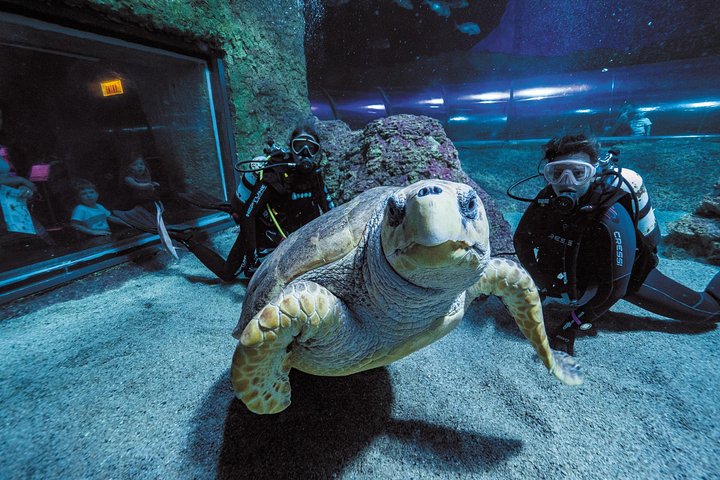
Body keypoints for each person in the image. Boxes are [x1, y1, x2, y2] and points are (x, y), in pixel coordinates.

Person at [512, 134, 719, 356]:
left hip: (626, 275)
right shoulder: (546, 200)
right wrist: (542, 282)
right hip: (580, 270)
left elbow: (615, 289)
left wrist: (572, 324)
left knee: (707, 311)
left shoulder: (610, 214)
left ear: (593, 173)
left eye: (579, 173)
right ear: (547, 175)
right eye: (557, 173)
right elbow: (521, 240)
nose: (567, 182)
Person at [114, 120, 334, 281]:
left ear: (318, 152)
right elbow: (248, 215)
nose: (305, 153)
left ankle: (220, 208)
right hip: (261, 229)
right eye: (299, 146)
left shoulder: (315, 176)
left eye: (311, 148)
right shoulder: (274, 176)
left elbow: (330, 211)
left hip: (287, 233)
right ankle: (186, 237)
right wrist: (252, 256)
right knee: (228, 274)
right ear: (290, 148)